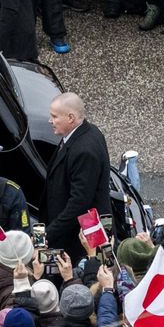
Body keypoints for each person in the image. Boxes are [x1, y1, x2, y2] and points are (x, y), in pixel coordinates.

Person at [43, 93, 113, 261]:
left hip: (77, 239)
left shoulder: (84, 151)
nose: (50, 121)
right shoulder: (87, 132)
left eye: (54, 116)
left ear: (71, 118)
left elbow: (79, 203)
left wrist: (49, 234)